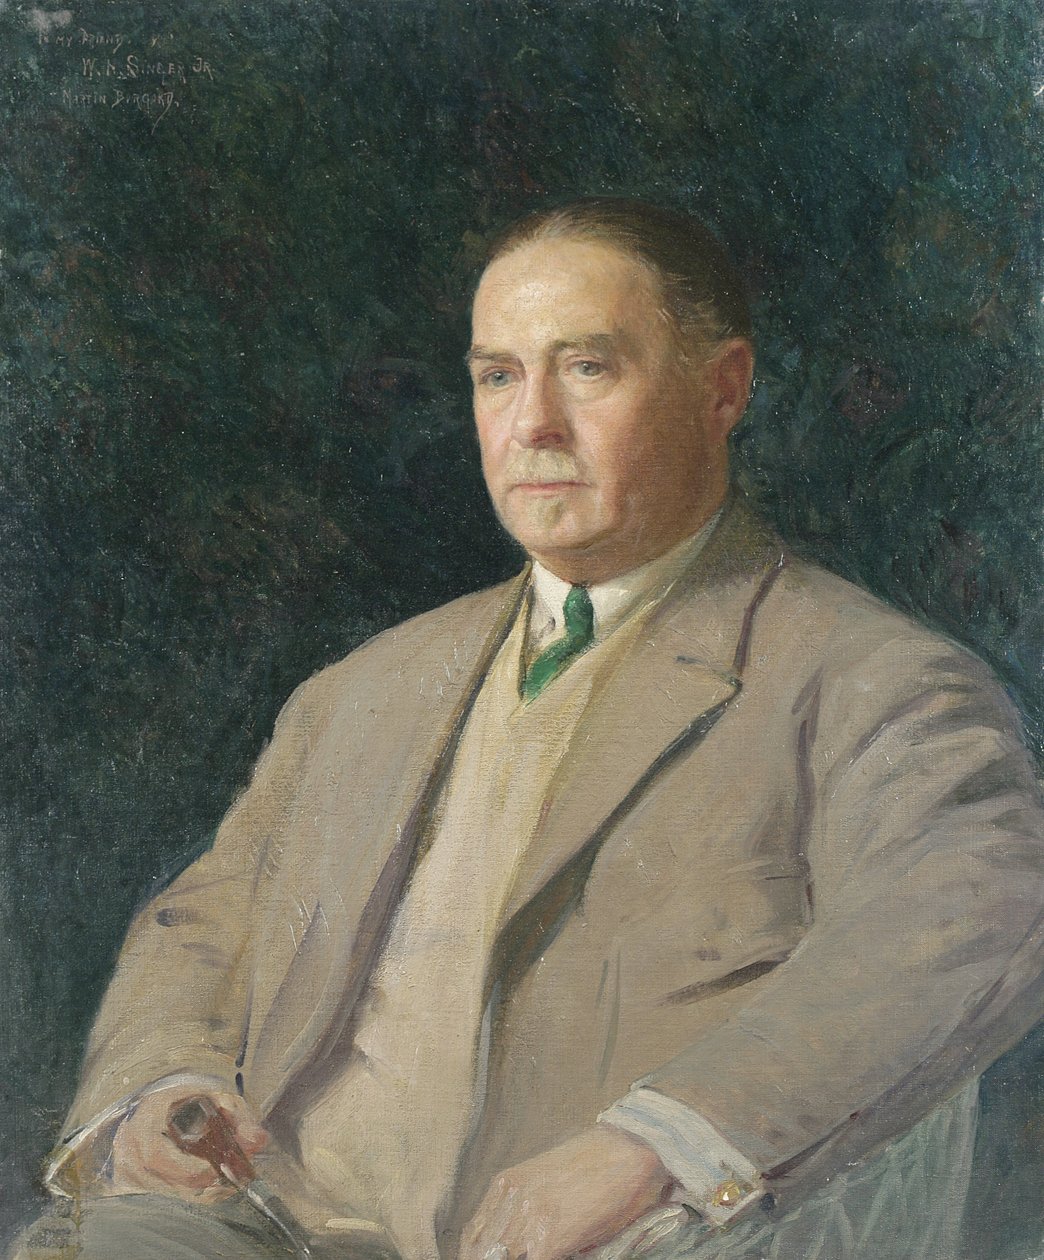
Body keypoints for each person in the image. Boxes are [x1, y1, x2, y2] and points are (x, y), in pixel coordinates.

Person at [10, 199, 1044, 1260]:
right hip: (265, 1225)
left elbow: (966, 917)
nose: (533, 424)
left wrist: (657, 1144)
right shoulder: (363, 691)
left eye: (587, 368)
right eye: (499, 376)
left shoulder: (878, 682)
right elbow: (206, 918)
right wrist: (164, 1083)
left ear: (722, 388)